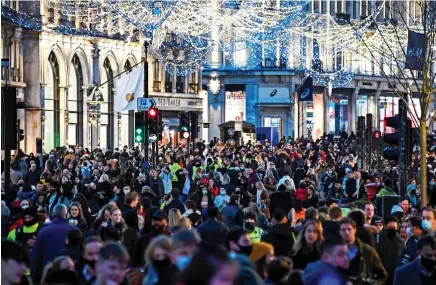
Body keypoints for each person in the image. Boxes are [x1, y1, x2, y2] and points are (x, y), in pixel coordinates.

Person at [31, 204, 75, 284]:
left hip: (48, 274)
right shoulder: (74, 230)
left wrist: (33, 278)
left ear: (53, 214)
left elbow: (35, 255)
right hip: (69, 274)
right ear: (66, 214)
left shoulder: (43, 231)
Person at [339, 218, 387, 284]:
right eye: (343, 230)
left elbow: (382, 275)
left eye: (349, 229)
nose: (346, 232)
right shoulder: (334, 253)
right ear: (339, 232)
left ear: (355, 230)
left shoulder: (367, 251)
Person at [376, 216, 403, 285]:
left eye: (394, 228)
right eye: (390, 227)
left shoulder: (401, 240)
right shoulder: (378, 239)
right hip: (382, 276)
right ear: (385, 227)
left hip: (396, 276)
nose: (392, 229)